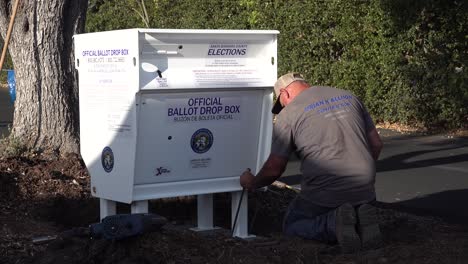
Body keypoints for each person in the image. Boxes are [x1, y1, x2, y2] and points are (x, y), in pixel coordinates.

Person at [240, 72, 383, 253]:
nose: (282, 107)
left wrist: (253, 182)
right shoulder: (349, 96)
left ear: (285, 93)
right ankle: (360, 220)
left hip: (326, 192)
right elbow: (377, 144)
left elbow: (275, 168)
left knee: (293, 224)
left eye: (281, 102)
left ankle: (333, 224)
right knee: (353, 205)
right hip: (365, 189)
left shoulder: (289, 114)